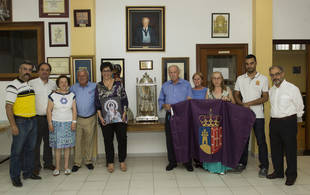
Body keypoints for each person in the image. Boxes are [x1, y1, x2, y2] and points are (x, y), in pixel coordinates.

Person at [5, 61, 41, 187]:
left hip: (32, 120)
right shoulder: (13, 86)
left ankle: (28, 172)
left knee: (30, 149)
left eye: (29, 70)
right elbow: (8, 107)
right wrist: (13, 125)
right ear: (19, 70)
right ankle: (15, 177)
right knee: (17, 151)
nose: (27, 72)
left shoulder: (29, 85)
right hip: (20, 122)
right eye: (25, 69)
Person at [267, 65, 304, 186]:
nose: (275, 77)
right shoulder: (271, 90)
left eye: (277, 74)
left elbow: (299, 107)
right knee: (275, 149)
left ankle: (291, 175)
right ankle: (278, 172)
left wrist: (296, 122)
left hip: (288, 121)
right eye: (272, 75)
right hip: (274, 121)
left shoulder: (292, 88)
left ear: (282, 74)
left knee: (290, 150)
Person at [234, 54, 269, 177]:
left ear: (255, 63)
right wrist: (242, 104)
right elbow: (236, 94)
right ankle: (241, 164)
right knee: (243, 140)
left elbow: (265, 97)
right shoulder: (240, 78)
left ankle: (264, 166)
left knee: (261, 141)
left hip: (258, 115)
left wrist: (249, 103)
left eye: (251, 63)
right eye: (247, 64)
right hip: (244, 114)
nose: (249, 66)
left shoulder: (263, 79)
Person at [158, 65, 193, 172]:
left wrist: (181, 106)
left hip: (183, 116)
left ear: (179, 73)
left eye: (174, 72)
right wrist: (164, 105)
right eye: (170, 72)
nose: (172, 74)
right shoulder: (165, 85)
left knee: (185, 139)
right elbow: (160, 100)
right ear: (169, 74)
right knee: (170, 139)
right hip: (170, 115)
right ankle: (172, 162)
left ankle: (187, 162)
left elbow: (189, 99)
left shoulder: (186, 84)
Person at [95, 62, 128, 173]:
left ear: (111, 72)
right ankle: (110, 162)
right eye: (104, 71)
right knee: (108, 140)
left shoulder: (119, 84)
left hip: (120, 117)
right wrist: (100, 117)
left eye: (108, 71)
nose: (106, 73)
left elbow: (124, 99)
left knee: (122, 139)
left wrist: (124, 113)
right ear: (101, 72)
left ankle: (122, 161)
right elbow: (97, 104)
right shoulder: (98, 86)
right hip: (105, 118)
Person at [203, 71, 235, 174]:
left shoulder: (227, 90)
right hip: (212, 123)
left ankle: (222, 168)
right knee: (213, 144)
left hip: (224, 123)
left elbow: (234, 103)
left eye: (218, 78)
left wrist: (228, 99)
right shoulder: (208, 91)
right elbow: (205, 106)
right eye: (214, 78)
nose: (216, 80)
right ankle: (212, 167)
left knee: (222, 144)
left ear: (222, 79)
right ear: (211, 80)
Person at [29, 62, 57, 175]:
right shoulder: (31, 83)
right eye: (42, 69)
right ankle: (36, 166)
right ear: (38, 71)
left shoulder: (53, 84)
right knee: (36, 143)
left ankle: (48, 163)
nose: (44, 71)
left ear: (49, 72)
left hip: (50, 117)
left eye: (47, 70)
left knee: (49, 142)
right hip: (36, 118)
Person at [47, 75, 77, 176]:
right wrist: (50, 123)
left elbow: (74, 110)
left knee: (67, 146)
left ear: (68, 84)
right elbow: (48, 110)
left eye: (65, 82)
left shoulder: (72, 95)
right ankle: (57, 168)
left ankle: (66, 167)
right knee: (57, 147)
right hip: (56, 124)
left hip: (68, 124)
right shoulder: (53, 95)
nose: (64, 84)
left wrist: (74, 122)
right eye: (61, 82)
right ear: (58, 84)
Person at [71, 69, 97, 172]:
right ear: (77, 77)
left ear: (88, 76)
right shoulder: (73, 87)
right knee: (77, 141)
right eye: (80, 76)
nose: (82, 78)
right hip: (77, 119)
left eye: (84, 76)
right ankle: (77, 163)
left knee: (89, 141)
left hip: (90, 118)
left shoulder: (94, 86)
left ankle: (88, 161)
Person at [191, 72, 207, 168]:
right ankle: (196, 159)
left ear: (202, 80)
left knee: (203, 139)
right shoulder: (190, 90)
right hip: (193, 118)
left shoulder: (207, 90)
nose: (196, 81)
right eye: (195, 79)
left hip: (203, 119)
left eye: (198, 79)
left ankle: (203, 159)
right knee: (195, 139)